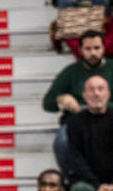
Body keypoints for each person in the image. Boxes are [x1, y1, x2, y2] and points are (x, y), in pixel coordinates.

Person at [45, 32, 113, 172]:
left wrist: (101, 105)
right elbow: (47, 102)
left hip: (109, 118)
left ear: (103, 48)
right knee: (62, 141)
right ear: (81, 50)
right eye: (88, 49)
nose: (92, 53)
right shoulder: (71, 72)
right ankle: (73, 178)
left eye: (96, 48)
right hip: (77, 121)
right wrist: (61, 100)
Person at [66, 75, 113, 191]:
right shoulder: (75, 122)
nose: (96, 93)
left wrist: (111, 186)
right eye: (91, 90)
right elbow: (76, 158)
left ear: (108, 94)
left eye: (100, 89)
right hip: (88, 182)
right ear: (85, 95)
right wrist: (98, 186)